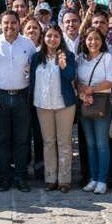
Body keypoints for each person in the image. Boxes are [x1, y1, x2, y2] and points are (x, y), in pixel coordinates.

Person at [0, 4, 36, 193]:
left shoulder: (28, 44)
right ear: (0, 24)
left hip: (22, 97)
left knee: (22, 140)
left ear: (19, 23)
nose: (10, 26)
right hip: (0, 97)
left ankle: (21, 177)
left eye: (13, 23)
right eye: (6, 23)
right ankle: (5, 178)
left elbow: (35, 69)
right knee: (2, 140)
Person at [31, 24, 77, 192]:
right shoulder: (36, 57)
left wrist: (64, 66)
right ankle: (50, 178)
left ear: (61, 38)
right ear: (44, 38)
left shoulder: (68, 55)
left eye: (56, 36)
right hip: (42, 104)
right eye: (49, 36)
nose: (52, 39)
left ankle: (64, 180)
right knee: (49, 142)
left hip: (64, 104)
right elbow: (31, 79)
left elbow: (71, 76)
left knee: (64, 142)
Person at [76, 27, 112, 195]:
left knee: (101, 144)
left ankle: (102, 180)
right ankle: (92, 178)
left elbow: (111, 81)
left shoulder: (107, 57)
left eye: (97, 39)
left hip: (101, 102)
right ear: (85, 41)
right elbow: (77, 81)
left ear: (102, 41)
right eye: (90, 39)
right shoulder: (80, 59)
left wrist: (91, 90)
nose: (93, 42)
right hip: (85, 102)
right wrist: (83, 92)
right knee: (90, 144)